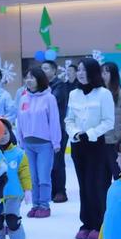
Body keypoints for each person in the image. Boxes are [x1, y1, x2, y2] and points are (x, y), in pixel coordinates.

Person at [65, 58, 114, 239]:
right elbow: (68, 119)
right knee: (83, 185)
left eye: (84, 70)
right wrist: (76, 133)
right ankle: (86, 222)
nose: (80, 73)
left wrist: (91, 133)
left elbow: (109, 122)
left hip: (96, 145)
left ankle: (99, 223)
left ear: (93, 72)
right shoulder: (74, 94)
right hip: (78, 145)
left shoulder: (103, 94)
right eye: (78, 70)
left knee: (97, 184)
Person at [17, 67, 61, 218]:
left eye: (32, 77)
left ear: (40, 79)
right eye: (26, 77)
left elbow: (54, 121)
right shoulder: (23, 98)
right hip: (28, 144)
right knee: (32, 177)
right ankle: (35, 204)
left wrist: (56, 142)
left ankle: (44, 205)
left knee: (43, 176)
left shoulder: (49, 98)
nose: (28, 80)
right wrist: (20, 140)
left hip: (45, 144)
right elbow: (19, 121)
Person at [0, 118, 32, 239]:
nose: (3, 136)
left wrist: (27, 189)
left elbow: (25, 172)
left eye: (5, 132)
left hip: (13, 194)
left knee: (12, 219)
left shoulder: (18, 154)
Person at [41, 60, 69, 203]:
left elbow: (53, 103)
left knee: (58, 162)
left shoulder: (60, 86)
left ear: (54, 71)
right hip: (43, 131)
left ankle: (60, 191)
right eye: (42, 68)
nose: (43, 71)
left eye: (46, 68)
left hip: (58, 129)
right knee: (47, 162)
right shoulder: (41, 87)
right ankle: (50, 190)